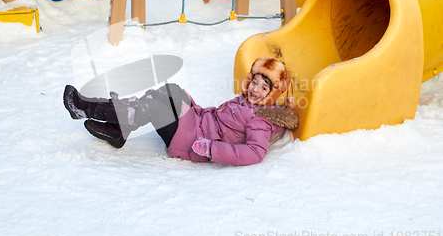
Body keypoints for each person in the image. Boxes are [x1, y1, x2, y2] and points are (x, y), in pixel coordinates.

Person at [63, 57, 298, 166]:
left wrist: (212, 149)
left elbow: (255, 153)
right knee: (171, 90)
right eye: (255, 82)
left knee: (153, 109)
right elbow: (218, 118)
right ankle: (118, 130)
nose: (256, 89)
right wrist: (193, 106)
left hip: (193, 142)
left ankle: (86, 107)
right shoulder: (246, 101)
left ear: (273, 93)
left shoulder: (262, 120)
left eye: (264, 87)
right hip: (196, 123)